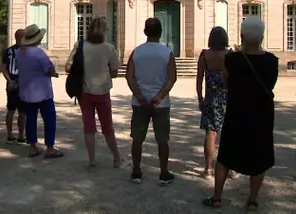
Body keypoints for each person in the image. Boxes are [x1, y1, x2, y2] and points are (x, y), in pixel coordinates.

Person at [202, 17, 278, 211]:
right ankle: (252, 200)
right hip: (261, 115)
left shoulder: (233, 59)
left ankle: (217, 197)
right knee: (259, 159)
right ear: (262, 36)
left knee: (226, 157)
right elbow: (270, 85)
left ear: (242, 36)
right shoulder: (272, 61)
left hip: (237, 112)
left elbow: (226, 84)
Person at [65, 17, 121, 171]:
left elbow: (67, 67)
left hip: (84, 92)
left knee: (89, 127)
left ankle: (92, 161)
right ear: (104, 31)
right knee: (107, 127)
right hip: (102, 92)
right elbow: (115, 72)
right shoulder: (109, 48)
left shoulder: (80, 45)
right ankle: (116, 158)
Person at [126, 18, 177, 186]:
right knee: (162, 139)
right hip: (160, 104)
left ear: (145, 32)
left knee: (137, 139)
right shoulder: (166, 53)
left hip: (139, 103)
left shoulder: (136, 52)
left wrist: (139, 95)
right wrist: (159, 96)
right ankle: (163, 173)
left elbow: (130, 76)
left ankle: (136, 172)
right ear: (160, 32)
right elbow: (171, 78)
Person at [17, 24, 63, 159]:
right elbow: (50, 69)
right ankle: (49, 147)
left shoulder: (20, 52)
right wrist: (54, 74)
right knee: (49, 119)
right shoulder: (39, 53)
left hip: (26, 91)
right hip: (42, 92)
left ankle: (32, 146)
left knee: (30, 119)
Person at [196, 26, 231, 179]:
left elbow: (199, 80)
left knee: (210, 134)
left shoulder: (204, 55)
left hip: (211, 98)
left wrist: (200, 98)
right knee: (229, 134)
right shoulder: (230, 55)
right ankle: (231, 168)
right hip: (228, 98)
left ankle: (208, 169)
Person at [3, 29, 26, 144]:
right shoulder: (26, 51)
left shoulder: (8, 51)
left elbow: (4, 69)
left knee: (10, 110)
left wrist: (10, 81)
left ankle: (9, 134)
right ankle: (21, 136)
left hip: (11, 84)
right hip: (22, 84)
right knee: (22, 111)